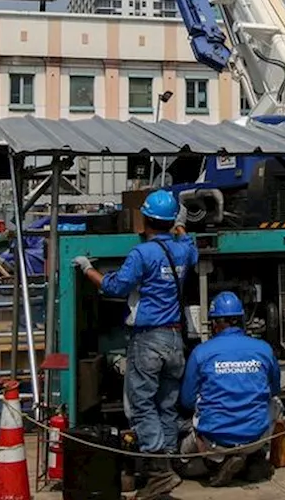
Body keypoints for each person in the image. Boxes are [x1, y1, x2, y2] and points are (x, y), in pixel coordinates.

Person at [74, 189, 197, 500]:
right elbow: (188, 243)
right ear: (171, 221)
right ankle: (167, 462)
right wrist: (179, 225)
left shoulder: (142, 254)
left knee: (141, 406)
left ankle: (158, 471)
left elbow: (116, 286)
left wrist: (88, 268)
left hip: (149, 339)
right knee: (166, 406)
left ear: (144, 219)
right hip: (174, 340)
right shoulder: (183, 250)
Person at [177, 291, 282, 486]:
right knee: (276, 404)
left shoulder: (201, 353)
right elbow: (275, 390)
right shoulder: (264, 349)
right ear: (242, 320)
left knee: (181, 463)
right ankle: (255, 458)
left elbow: (187, 401)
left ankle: (216, 465)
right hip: (254, 438)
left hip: (214, 441)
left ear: (214, 323)